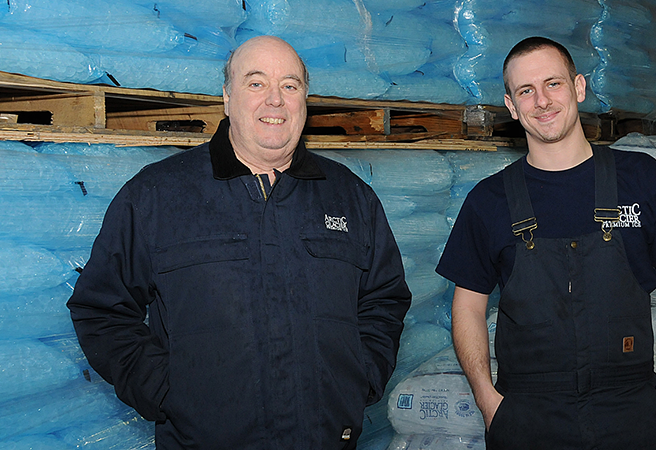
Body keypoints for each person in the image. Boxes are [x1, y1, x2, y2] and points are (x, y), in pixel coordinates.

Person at [67, 35, 411, 449]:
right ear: (227, 98)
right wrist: (168, 392)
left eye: (290, 85)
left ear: (305, 100)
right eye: (255, 83)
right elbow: (101, 309)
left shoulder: (352, 198)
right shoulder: (158, 196)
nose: (275, 100)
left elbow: (384, 301)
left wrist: (358, 379)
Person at [435, 36, 656, 449]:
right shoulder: (487, 201)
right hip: (528, 416)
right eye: (525, 91)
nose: (542, 101)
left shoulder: (642, 178)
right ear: (511, 106)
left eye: (553, 84)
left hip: (632, 410)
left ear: (579, 87)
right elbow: (468, 306)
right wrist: (488, 400)